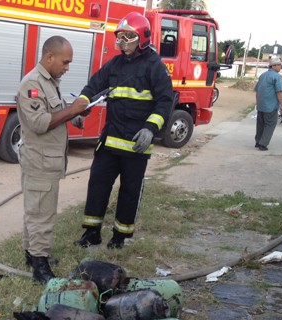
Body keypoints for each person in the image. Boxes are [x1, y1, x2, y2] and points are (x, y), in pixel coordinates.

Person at [74, 12, 174, 249]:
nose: (122, 42)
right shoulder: (115, 64)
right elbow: (93, 86)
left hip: (137, 144)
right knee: (97, 185)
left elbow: (165, 102)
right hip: (110, 141)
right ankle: (92, 233)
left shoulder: (155, 67)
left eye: (128, 37)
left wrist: (150, 129)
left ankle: (120, 237)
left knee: (130, 191)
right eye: (120, 37)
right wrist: (80, 107)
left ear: (142, 38)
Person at [16, 36, 89, 284]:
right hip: (40, 161)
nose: (67, 67)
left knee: (36, 210)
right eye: (65, 62)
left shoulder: (50, 82)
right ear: (49, 57)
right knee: (41, 215)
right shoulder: (32, 84)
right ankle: (40, 266)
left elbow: (54, 113)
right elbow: (38, 123)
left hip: (47, 159)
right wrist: (73, 110)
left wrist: (74, 116)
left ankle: (32, 254)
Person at [254, 56, 282, 151]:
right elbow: (279, 92)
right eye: (279, 65)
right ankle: (263, 144)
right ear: (273, 66)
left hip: (261, 104)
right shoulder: (277, 77)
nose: (280, 67)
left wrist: (257, 103)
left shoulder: (263, 75)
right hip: (270, 106)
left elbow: (257, 90)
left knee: (260, 124)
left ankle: (258, 141)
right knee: (270, 124)